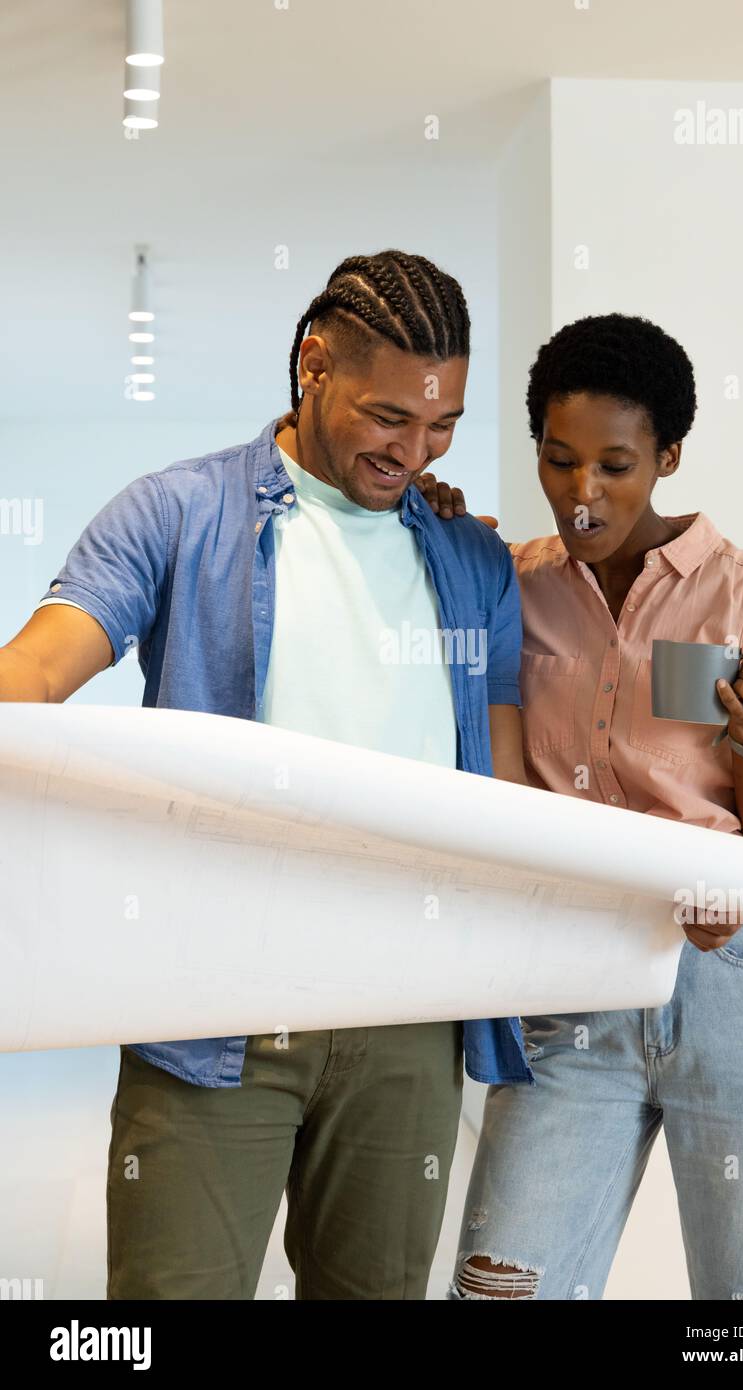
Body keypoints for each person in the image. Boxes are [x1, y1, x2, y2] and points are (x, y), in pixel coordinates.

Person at [0, 249, 533, 1300]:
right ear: (313, 363)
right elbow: (45, 658)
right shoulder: (177, 512)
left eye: (442, 428)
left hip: (405, 1017)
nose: (414, 452)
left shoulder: (473, 563)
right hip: (212, 1005)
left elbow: (507, 797)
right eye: (389, 417)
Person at [418, 312, 743, 1300]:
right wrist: (425, 514)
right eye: (559, 462)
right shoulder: (510, 585)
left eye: (614, 464)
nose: (581, 494)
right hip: (571, 985)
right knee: (503, 1286)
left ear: (669, 455)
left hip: (733, 978)